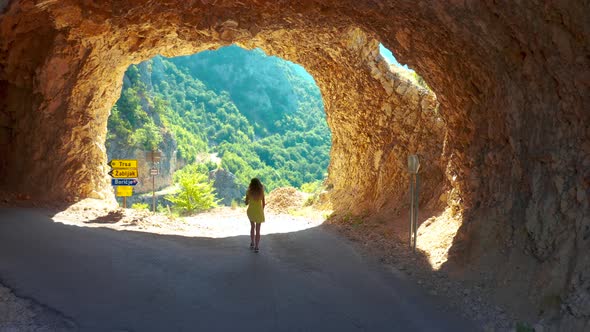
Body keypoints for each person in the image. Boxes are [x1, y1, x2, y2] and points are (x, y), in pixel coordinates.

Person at [245, 178, 265, 253]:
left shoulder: (248, 192)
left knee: (252, 227)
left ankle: (252, 243)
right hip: (259, 212)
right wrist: (261, 210)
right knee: (258, 230)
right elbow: (263, 203)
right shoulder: (261, 192)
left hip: (251, 211)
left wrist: (247, 200)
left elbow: (246, 203)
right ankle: (257, 247)